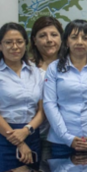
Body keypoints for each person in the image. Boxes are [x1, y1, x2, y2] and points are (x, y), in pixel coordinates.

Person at [43, 19, 87, 157]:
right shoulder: (54, 69)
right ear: (66, 41)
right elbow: (50, 104)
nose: (80, 42)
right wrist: (67, 137)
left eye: (85, 38)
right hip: (62, 143)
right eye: (74, 37)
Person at [0, 23, 44, 172]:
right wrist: (19, 142)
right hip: (2, 137)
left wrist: (26, 131)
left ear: (26, 45)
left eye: (19, 42)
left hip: (31, 135)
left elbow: (42, 111)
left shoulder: (35, 72)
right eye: (8, 42)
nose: (15, 47)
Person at [29, 16, 64, 159]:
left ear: (62, 39)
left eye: (54, 35)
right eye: (42, 36)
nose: (49, 40)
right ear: (34, 41)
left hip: (64, 137)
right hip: (33, 135)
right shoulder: (27, 69)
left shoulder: (72, 67)